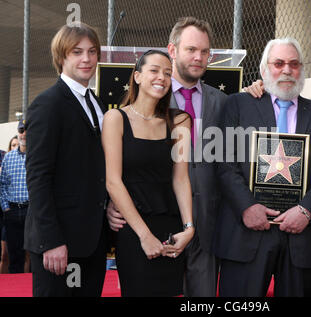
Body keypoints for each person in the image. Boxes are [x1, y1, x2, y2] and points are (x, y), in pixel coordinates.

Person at [107, 17, 227, 297]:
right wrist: (113, 208)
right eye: (191, 49)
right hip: (143, 226)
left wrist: (189, 226)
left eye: (205, 51)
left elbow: (187, 174)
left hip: (195, 223)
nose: (198, 57)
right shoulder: (118, 117)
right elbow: (113, 176)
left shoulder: (207, 108)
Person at [213, 38, 311, 297]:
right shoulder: (237, 105)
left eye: (294, 64)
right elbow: (224, 163)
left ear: (301, 70)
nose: (286, 70)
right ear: (263, 70)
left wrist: (306, 211)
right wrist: (246, 207)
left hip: (301, 236)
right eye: (278, 63)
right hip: (246, 232)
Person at [24, 23, 108, 296]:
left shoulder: (96, 103)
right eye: (77, 52)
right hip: (59, 244)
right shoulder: (47, 104)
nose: (87, 59)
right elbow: (38, 177)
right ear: (61, 57)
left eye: (92, 51)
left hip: (92, 240)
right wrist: (51, 241)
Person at [102, 49, 194, 296]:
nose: (161, 78)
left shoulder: (180, 121)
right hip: (134, 230)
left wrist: (189, 228)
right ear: (138, 76)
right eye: (154, 70)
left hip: (170, 229)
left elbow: (181, 178)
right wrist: (144, 236)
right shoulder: (115, 118)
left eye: (167, 73)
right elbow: (113, 182)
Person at [0, 120, 29, 273]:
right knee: (14, 256)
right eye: (21, 130)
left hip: (31, 211)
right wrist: (5, 208)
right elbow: (2, 184)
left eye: (27, 130)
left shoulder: (40, 156)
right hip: (11, 212)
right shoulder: (8, 158)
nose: (24, 133)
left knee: (34, 255)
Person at [0, 135, 19, 273]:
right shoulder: (6, 158)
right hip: (8, 212)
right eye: (13, 144)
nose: (16, 147)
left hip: (9, 213)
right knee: (5, 255)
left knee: (23, 256)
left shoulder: (3, 157)